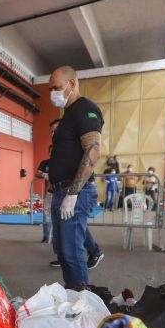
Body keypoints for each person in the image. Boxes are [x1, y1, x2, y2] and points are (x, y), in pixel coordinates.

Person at [47, 65, 104, 291]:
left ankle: (82, 302)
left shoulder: (85, 109)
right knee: (62, 250)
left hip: (74, 191)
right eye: (51, 88)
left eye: (57, 87)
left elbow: (93, 150)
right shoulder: (68, 114)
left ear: (72, 84)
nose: (53, 93)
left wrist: (73, 193)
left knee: (72, 252)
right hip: (62, 190)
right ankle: (72, 294)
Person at [36, 145, 53, 243]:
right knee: (46, 219)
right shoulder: (45, 163)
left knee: (58, 219)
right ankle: (46, 237)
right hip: (49, 194)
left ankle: (56, 239)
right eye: (50, 151)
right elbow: (37, 173)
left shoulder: (61, 162)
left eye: (54, 151)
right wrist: (45, 174)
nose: (52, 153)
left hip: (60, 194)